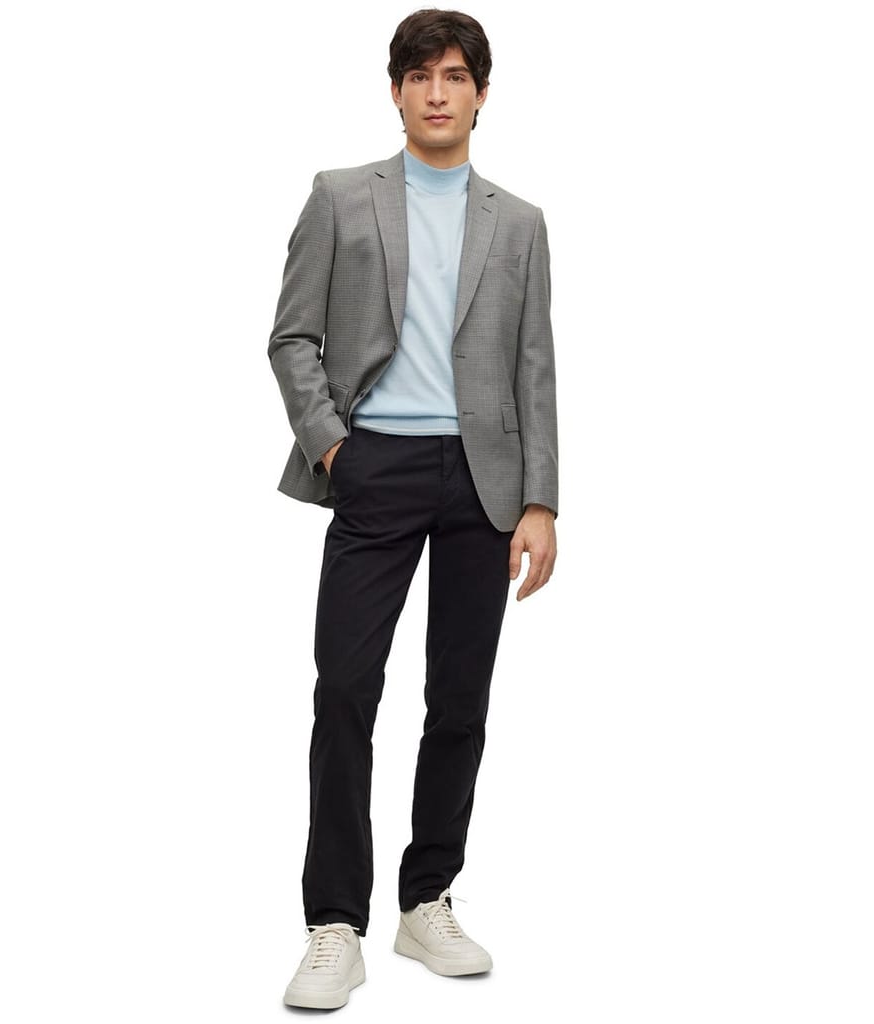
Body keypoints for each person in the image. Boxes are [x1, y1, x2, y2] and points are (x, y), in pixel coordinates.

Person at [268, 9, 558, 1010]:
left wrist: (540, 499)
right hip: (374, 466)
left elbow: (533, 365)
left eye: (455, 75)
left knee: (459, 701)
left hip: (484, 478)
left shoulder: (521, 222)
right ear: (395, 91)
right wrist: (333, 446)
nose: (438, 92)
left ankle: (425, 898)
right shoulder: (340, 196)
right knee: (346, 690)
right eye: (420, 75)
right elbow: (291, 337)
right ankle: (333, 922)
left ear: (481, 93)